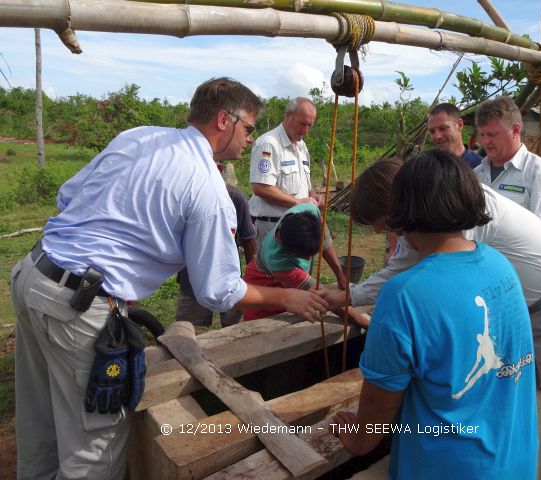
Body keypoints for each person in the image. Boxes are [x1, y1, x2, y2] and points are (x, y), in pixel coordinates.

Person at [10, 77, 328, 479]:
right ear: (223, 119)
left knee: (40, 426)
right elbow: (218, 290)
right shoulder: (209, 188)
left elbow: (68, 197)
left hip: (34, 275)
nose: (249, 139)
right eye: (247, 128)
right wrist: (286, 299)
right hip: (79, 306)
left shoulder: (139, 137)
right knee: (95, 452)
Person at [326, 156, 541, 480]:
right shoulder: (500, 265)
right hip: (513, 463)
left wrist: (360, 440)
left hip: (448, 467)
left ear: (400, 209)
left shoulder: (403, 296)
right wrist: (356, 295)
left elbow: (377, 408)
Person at [247, 96, 346, 289]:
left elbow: (305, 185)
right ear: (287, 116)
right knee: (275, 286)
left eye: (310, 125)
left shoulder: (301, 146)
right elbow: (261, 187)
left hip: (302, 228)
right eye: (302, 124)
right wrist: (299, 203)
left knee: (299, 284)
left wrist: (313, 196)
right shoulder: (268, 144)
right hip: (274, 229)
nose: (305, 130)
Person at [473, 96, 541, 238]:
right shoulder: (476, 175)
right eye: (482, 134)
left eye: (492, 134)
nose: (485, 141)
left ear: (516, 130)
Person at [176, 171, 257, 327]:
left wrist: (252, 276)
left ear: (219, 169)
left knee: (235, 330)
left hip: (229, 276)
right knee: (187, 330)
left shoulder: (234, 196)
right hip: (192, 277)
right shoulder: (187, 195)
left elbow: (248, 240)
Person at [427, 102, 482, 168]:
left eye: (443, 128)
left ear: (459, 125)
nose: (437, 136)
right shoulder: (424, 165)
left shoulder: (481, 167)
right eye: (432, 131)